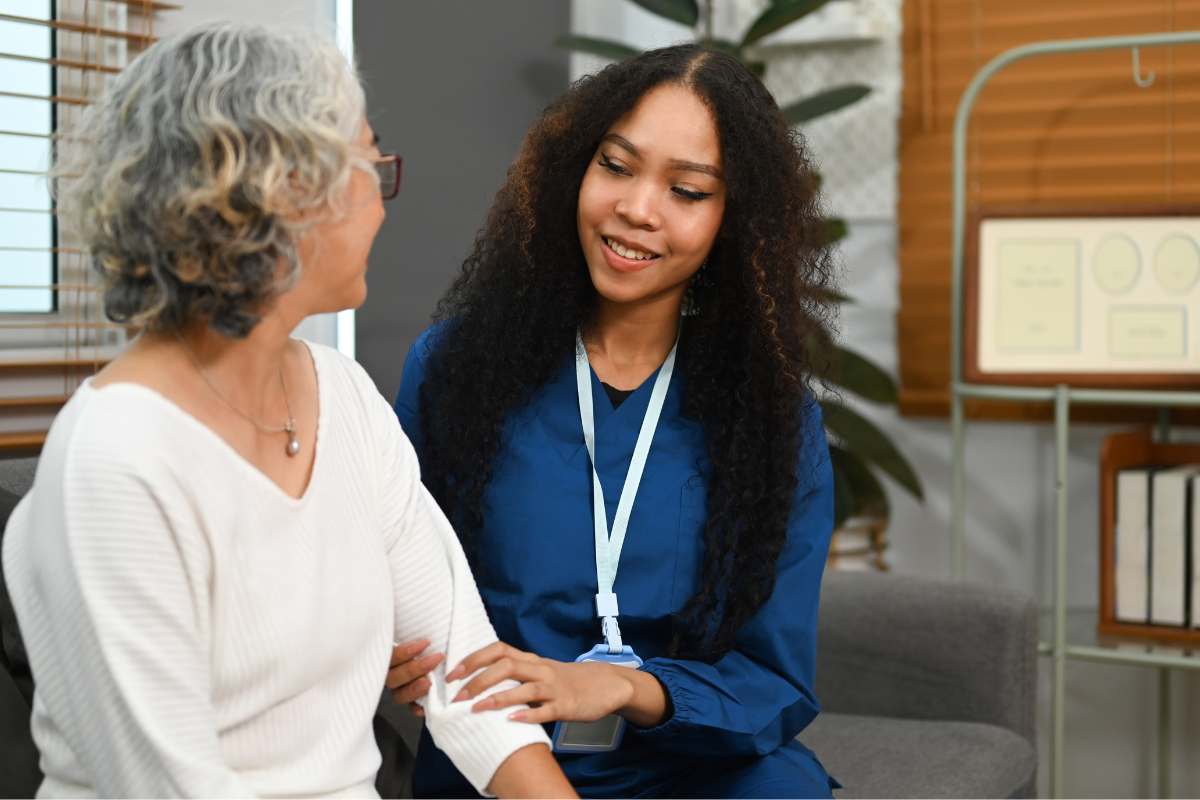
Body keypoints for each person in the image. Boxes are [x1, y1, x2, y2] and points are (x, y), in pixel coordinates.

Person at [1, 22, 574, 799]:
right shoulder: (115, 460)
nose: (381, 198)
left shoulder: (345, 399)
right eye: (371, 162)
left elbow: (472, 684)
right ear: (284, 195)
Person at [391, 44, 840, 798]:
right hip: (504, 760)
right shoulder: (455, 369)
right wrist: (396, 646)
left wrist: (626, 691)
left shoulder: (773, 421)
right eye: (617, 166)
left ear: (733, 221)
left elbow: (773, 679)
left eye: (688, 191)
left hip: (700, 768)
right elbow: (397, 582)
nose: (637, 208)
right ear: (576, 169)